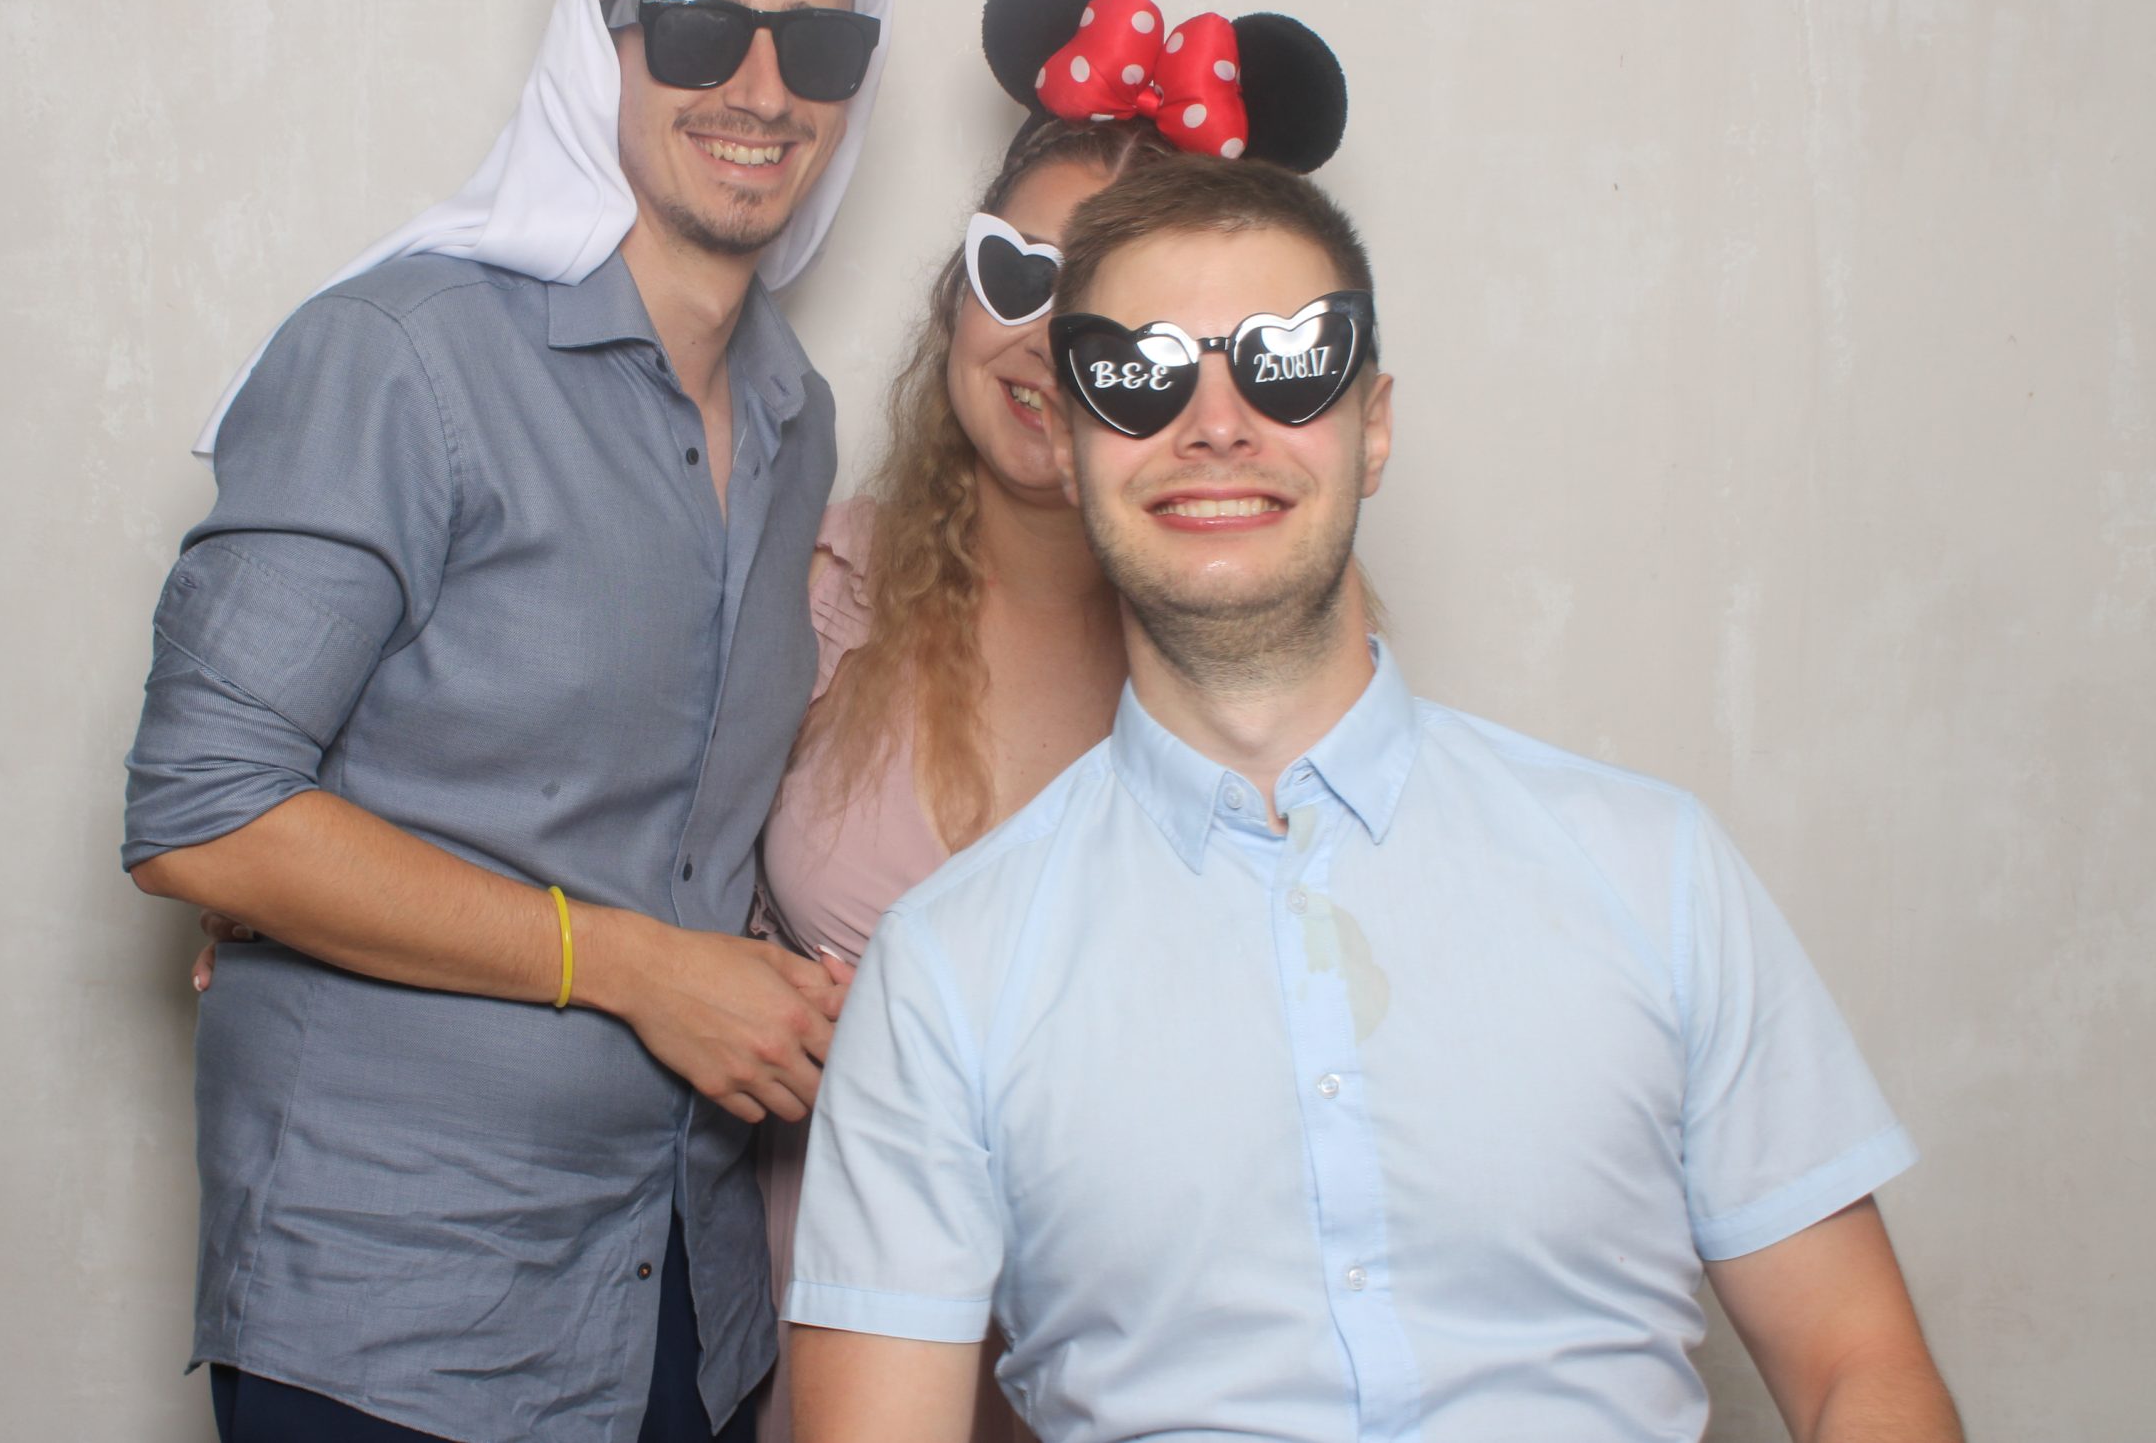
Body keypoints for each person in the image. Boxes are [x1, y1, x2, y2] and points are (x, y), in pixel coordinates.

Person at [783, 156, 1962, 1442]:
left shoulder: (1652, 871)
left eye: (1286, 364)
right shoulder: (944, 972)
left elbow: (1857, 1366)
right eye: (1143, 375)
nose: (1216, 424)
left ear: (1374, 425)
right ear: (1067, 444)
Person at [122, 0, 890, 1443]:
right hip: (400, 1302)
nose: (765, 89)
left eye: (816, 42)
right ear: (594, 46)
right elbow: (204, 811)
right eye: (700, 29)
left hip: (683, 1294)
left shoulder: (796, 412)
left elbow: (676, 820)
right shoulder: (398, 355)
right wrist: (634, 966)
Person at [748, 0, 1353, 1443]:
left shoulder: (1264, 660)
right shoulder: (814, 580)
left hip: (1152, 1375)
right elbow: (606, 825)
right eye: (1012, 276)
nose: (1036, 342)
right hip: (827, 1344)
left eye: (1100, 309)